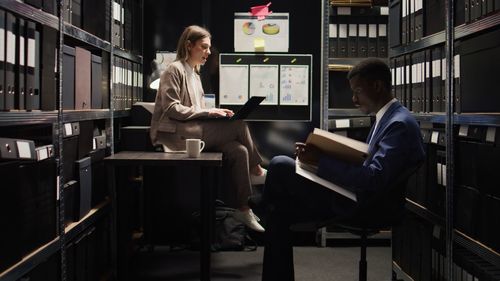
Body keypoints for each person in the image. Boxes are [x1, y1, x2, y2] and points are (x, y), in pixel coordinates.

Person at [260, 58, 425, 280]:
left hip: (368, 205)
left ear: (377, 86)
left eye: (357, 91)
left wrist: (320, 162)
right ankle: (265, 212)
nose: (354, 99)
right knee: (279, 213)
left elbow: (373, 178)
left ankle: (258, 211)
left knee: (280, 166)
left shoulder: (399, 124)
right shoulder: (387, 118)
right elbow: (367, 166)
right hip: (356, 195)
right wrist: (320, 155)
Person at [150, 25, 266, 232]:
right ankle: (256, 169)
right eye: (203, 47)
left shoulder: (194, 75)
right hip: (176, 135)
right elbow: (172, 108)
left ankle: (243, 208)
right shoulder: (174, 70)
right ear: (188, 46)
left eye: (209, 48)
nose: (208, 52)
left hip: (193, 130)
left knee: (239, 151)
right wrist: (208, 113)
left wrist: (214, 112)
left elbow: (197, 110)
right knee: (239, 125)